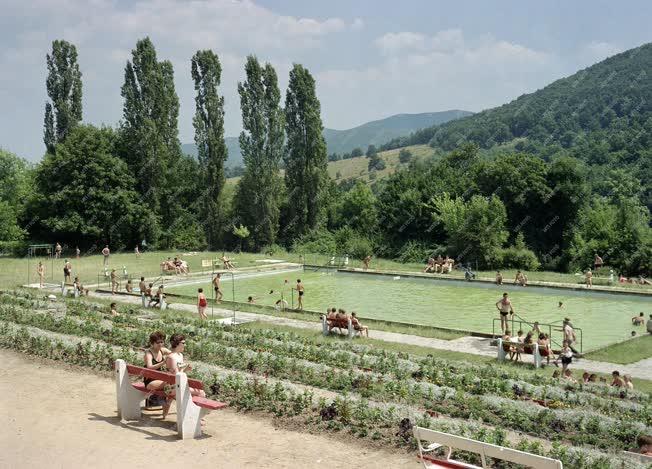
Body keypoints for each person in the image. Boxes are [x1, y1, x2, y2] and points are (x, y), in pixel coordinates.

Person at [164, 334, 206, 419]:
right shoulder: (171, 357)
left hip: (178, 385)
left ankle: (194, 416)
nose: (185, 345)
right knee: (201, 393)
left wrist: (185, 369)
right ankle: (197, 417)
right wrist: (185, 369)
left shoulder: (180, 355)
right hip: (172, 387)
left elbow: (179, 373)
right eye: (183, 343)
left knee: (195, 392)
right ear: (177, 344)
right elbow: (176, 376)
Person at [143, 331, 171, 411]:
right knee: (170, 383)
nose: (160, 344)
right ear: (152, 343)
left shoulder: (162, 350)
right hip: (150, 381)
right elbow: (149, 367)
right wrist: (163, 363)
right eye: (158, 342)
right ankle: (164, 404)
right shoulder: (148, 353)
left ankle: (163, 403)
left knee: (170, 382)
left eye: (162, 342)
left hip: (160, 379)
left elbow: (173, 354)